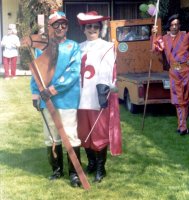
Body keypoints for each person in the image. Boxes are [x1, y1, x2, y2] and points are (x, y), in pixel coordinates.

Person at [30, 11, 82, 187]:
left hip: (67, 98)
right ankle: (57, 170)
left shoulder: (74, 47)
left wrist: (53, 89)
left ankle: (74, 174)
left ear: (67, 27)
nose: (60, 28)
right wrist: (35, 94)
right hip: (46, 100)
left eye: (64, 24)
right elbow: (35, 73)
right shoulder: (41, 48)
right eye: (56, 25)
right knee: (51, 136)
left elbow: (73, 72)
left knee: (70, 135)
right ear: (51, 28)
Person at [76, 11, 122, 183]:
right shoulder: (78, 48)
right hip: (80, 97)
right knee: (84, 132)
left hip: (97, 96)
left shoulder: (107, 46)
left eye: (96, 26)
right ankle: (92, 163)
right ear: (84, 29)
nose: (92, 29)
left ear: (100, 28)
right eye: (89, 26)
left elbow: (108, 70)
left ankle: (101, 168)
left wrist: (103, 91)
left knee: (99, 132)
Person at [152, 14, 189, 136]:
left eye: (176, 24)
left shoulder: (187, 36)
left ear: (179, 25)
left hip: (186, 72)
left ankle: (182, 126)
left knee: (184, 100)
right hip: (174, 72)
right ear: (169, 25)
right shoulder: (164, 38)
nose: (174, 26)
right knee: (179, 101)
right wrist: (154, 34)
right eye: (172, 24)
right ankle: (183, 127)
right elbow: (155, 49)